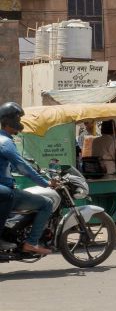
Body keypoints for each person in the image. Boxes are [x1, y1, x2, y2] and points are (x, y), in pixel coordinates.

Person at [0, 102, 55, 255]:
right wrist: (46, 183)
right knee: (46, 203)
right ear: (11, 121)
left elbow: (16, 165)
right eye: (18, 119)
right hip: (4, 189)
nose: (20, 123)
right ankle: (31, 243)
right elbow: (23, 167)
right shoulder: (6, 143)